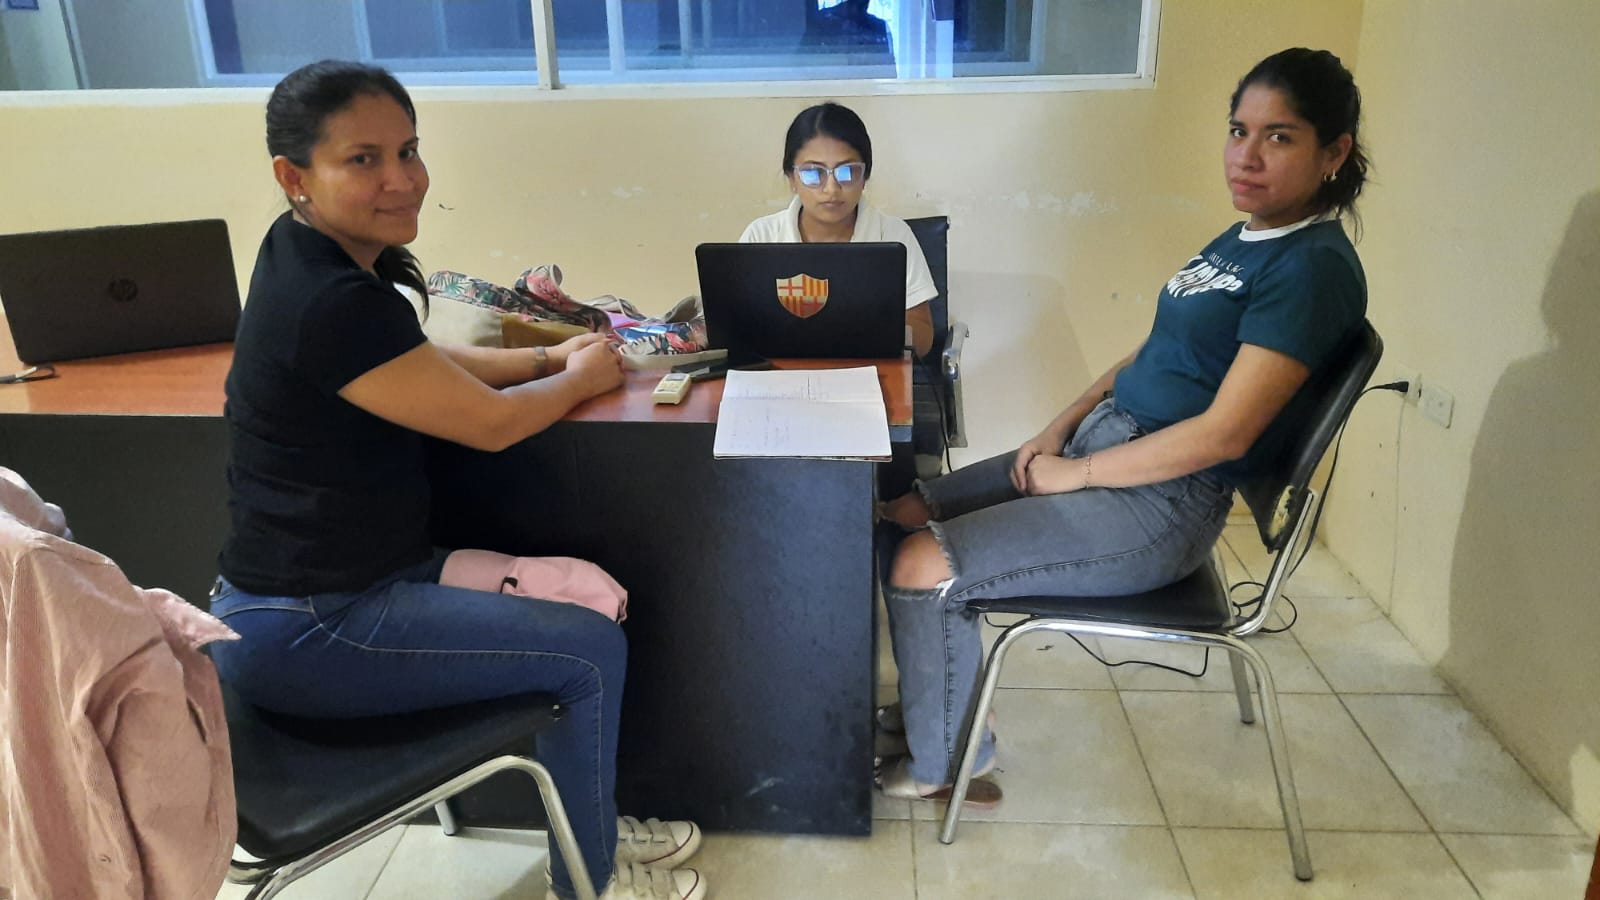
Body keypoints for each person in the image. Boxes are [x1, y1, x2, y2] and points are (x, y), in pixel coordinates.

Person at [207, 60, 706, 900]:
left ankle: (587, 823)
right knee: (588, 649)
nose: (401, 179)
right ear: (295, 176)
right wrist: (578, 379)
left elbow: (414, 361)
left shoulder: (308, 256)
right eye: (363, 159)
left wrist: (547, 358)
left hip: (325, 593)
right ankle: (586, 880)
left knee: (583, 598)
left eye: (407, 150)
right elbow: (491, 424)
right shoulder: (328, 299)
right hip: (315, 625)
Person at [874, 47, 1371, 806]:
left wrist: (1077, 474)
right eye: (1239, 130)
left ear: (1333, 153)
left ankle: (951, 760)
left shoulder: (1312, 268)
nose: (1246, 156)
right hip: (1105, 446)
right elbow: (1149, 352)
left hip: (1160, 503)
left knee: (921, 564)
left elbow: (1226, 435)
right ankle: (939, 706)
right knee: (904, 511)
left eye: (1280, 137)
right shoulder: (1244, 238)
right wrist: (1056, 429)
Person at [740, 101, 939, 358]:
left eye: (847, 172)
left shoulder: (892, 235)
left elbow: (923, 338)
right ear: (791, 178)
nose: (831, 189)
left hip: (871, 371)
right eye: (813, 174)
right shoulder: (761, 236)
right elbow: (737, 325)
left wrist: (871, 327)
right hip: (778, 373)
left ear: (864, 177)